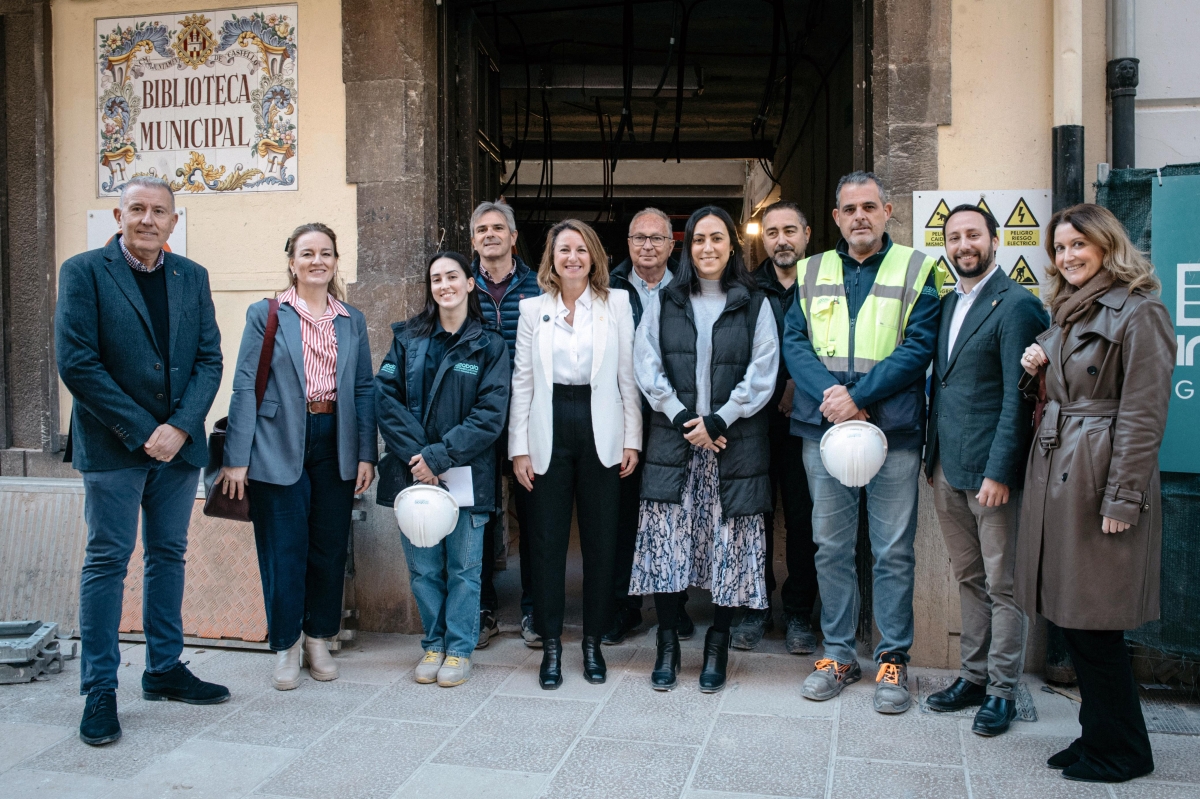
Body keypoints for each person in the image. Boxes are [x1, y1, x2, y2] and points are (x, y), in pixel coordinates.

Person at [56, 175, 227, 746]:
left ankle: (163, 669)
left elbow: (209, 359)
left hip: (177, 450)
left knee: (169, 554)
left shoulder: (192, 276)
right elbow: (78, 364)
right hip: (112, 447)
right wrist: (142, 429)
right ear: (118, 215)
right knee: (107, 560)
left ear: (173, 221)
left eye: (159, 211)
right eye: (137, 209)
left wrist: (179, 428)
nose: (148, 219)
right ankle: (100, 689)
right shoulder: (84, 272)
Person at [1015, 203, 1174, 783]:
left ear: (1107, 245)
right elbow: (1062, 387)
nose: (1067, 256)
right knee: (1076, 617)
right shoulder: (1067, 312)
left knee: (1096, 623)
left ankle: (1124, 750)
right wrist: (1037, 365)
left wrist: (1123, 498)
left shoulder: (1140, 313)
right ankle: (1097, 735)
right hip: (1064, 470)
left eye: (1078, 245)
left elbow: (1143, 416)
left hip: (1098, 476)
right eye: (1059, 248)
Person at [783, 171, 946, 714]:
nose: (860, 217)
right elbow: (795, 343)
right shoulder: (810, 270)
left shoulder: (917, 269)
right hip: (825, 429)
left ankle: (891, 658)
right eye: (849, 209)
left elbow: (919, 345)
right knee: (830, 546)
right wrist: (833, 396)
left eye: (869, 207)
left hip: (891, 431)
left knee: (893, 550)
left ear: (888, 211)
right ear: (835, 218)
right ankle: (837, 653)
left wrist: (859, 396)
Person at [219, 223, 377, 692]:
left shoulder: (352, 318)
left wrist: (367, 451)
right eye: (307, 253)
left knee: (328, 548)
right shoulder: (265, 314)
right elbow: (246, 383)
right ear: (292, 261)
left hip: (336, 439)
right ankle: (285, 647)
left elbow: (364, 388)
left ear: (334, 261)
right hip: (277, 439)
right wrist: (236, 457)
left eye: (325, 253)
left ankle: (317, 640)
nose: (317, 261)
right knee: (283, 549)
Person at [631, 205, 779, 693]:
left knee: (727, 546)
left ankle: (717, 641)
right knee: (669, 542)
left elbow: (764, 372)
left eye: (717, 239)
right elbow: (646, 363)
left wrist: (719, 419)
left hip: (731, 444)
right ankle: (668, 643)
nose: (707, 248)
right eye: (698, 240)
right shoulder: (666, 300)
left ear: (732, 245)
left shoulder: (754, 302)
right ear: (687, 247)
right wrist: (680, 417)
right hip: (675, 440)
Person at [924, 204, 1049, 736]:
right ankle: (972, 677)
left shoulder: (1017, 304)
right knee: (969, 579)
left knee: (1004, 585)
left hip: (991, 475)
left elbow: (1018, 399)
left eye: (973, 235)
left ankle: (1001, 688)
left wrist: (1000, 472)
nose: (962, 245)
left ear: (995, 241)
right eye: (953, 237)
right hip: (946, 469)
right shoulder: (949, 303)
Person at [509, 219, 640, 688]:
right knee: (545, 543)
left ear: (594, 257)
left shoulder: (617, 304)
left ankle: (591, 643)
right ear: (552, 258)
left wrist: (632, 439)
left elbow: (628, 376)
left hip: (600, 427)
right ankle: (549, 647)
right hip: (548, 429)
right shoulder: (531, 310)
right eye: (564, 250)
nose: (573, 258)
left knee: (601, 542)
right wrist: (518, 448)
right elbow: (522, 382)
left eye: (581, 250)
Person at [375, 251, 510, 688]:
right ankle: (433, 644)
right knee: (424, 568)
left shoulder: (489, 345)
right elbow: (385, 398)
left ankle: (459, 650)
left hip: (468, 475)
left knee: (466, 568)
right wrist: (421, 458)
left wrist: (439, 457)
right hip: (414, 475)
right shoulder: (408, 339)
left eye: (453, 276)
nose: (444, 285)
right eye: (436, 278)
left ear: (471, 284)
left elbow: (490, 415)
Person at [604, 207, 695, 644]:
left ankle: (673, 611)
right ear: (627, 243)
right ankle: (624, 608)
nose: (647, 246)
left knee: (670, 516)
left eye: (656, 238)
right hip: (624, 417)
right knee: (622, 517)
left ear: (671, 245)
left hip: (674, 419)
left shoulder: (690, 286)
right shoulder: (608, 286)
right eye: (639, 237)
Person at [732, 201, 818, 655]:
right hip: (754, 423)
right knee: (755, 515)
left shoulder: (826, 283)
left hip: (808, 420)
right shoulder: (746, 287)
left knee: (804, 518)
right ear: (761, 239)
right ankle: (755, 607)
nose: (781, 240)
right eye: (772, 233)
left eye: (790, 230)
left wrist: (794, 386)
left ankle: (800, 612)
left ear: (807, 233)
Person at [469, 201, 543, 648]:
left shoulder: (540, 286)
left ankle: (535, 608)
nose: (490, 234)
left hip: (529, 417)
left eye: (499, 228)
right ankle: (482, 608)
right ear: (474, 239)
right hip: (476, 419)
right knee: (478, 513)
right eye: (482, 229)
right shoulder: (459, 286)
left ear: (514, 237)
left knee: (534, 515)